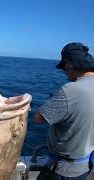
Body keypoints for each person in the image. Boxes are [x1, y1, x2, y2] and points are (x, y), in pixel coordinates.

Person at [35, 42, 94, 179]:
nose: (65, 73)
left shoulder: (70, 90)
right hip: (85, 167)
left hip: (62, 171)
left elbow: (39, 118)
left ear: (68, 64)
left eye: (64, 68)